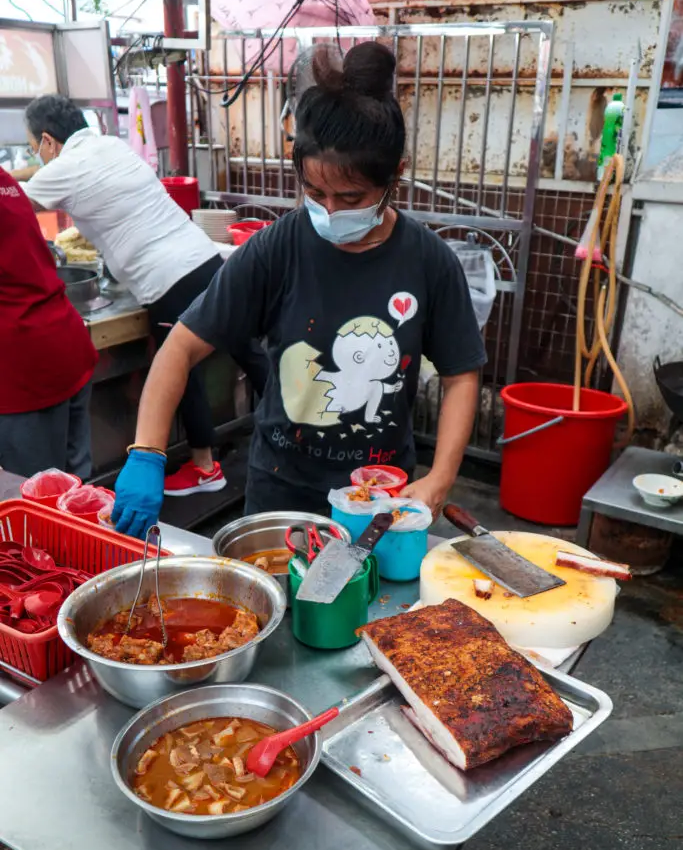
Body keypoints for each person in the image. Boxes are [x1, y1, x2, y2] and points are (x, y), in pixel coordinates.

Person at [112, 42, 486, 539]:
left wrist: (439, 479)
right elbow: (180, 347)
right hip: (280, 490)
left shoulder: (428, 261)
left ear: (396, 174)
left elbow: (461, 373)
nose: (330, 210)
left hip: (379, 495)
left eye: (350, 197)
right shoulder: (276, 248)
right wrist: (147, 452)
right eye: (315, 193)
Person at [12, 94, 260, 497]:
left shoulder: (64, 169)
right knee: (249, 350)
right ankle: (298, 436)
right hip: (205, 260)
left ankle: (204, 468)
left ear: (48, 141)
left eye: (32, 148)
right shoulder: (109, 144)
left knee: (182, 370)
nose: (34, 157)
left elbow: (14, 205)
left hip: (167, 280)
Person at [0, 167, 98, 478]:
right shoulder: (5, 181)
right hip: (63, 342)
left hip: (23, 367)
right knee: (74, 493)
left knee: (36, 507)